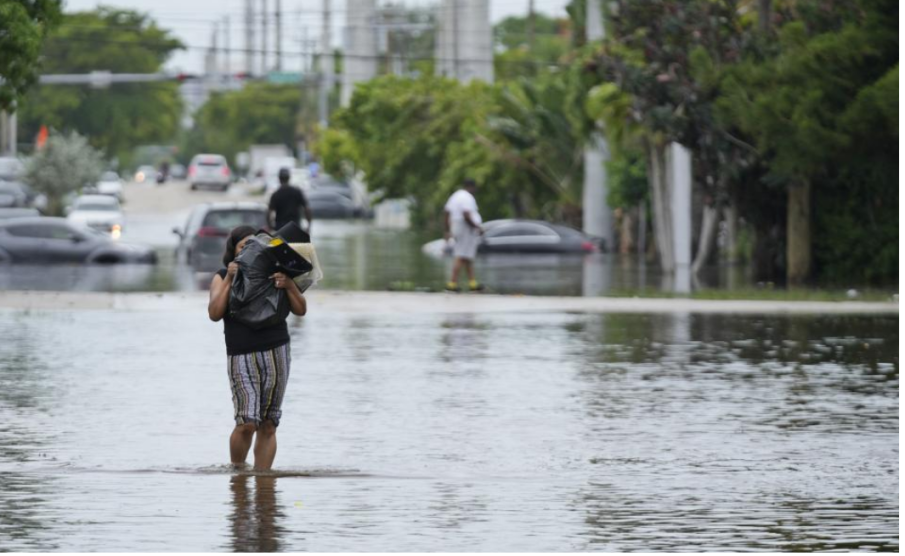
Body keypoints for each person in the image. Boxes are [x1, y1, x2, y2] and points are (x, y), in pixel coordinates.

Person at [208, 225, 308, 471]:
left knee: (268, 422)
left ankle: (264, 481)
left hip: (276, 350)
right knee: (246, 422)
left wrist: (289, 285)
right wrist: (232, 278)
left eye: (255, 245)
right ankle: (238, 474)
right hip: (240, 353)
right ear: (234, 251)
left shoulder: (278, 274)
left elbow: (301, 310)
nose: (251, 250)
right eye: (244, 246)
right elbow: (214, 313)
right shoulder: (222, 275)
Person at [444, 179, 484, 292]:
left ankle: (472, 283)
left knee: (467, 255)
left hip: (456, 226)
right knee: (461, 255)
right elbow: (466, 214)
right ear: (472, 187)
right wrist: (477, 227)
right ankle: (452, 283)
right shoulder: (467, 197)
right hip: (465, 227)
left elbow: (446, 213)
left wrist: (447, 230)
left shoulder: (455, 196)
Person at [268, 168, 312, 232]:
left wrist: (270, 226)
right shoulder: (297, 192)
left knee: (274, 242)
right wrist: (309, 225)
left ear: (279, 179)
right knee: (298, 241)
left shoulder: (276, 195)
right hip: (295, 229)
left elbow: (269, 213)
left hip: (280, 230)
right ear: (289, 178)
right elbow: (307, 209)